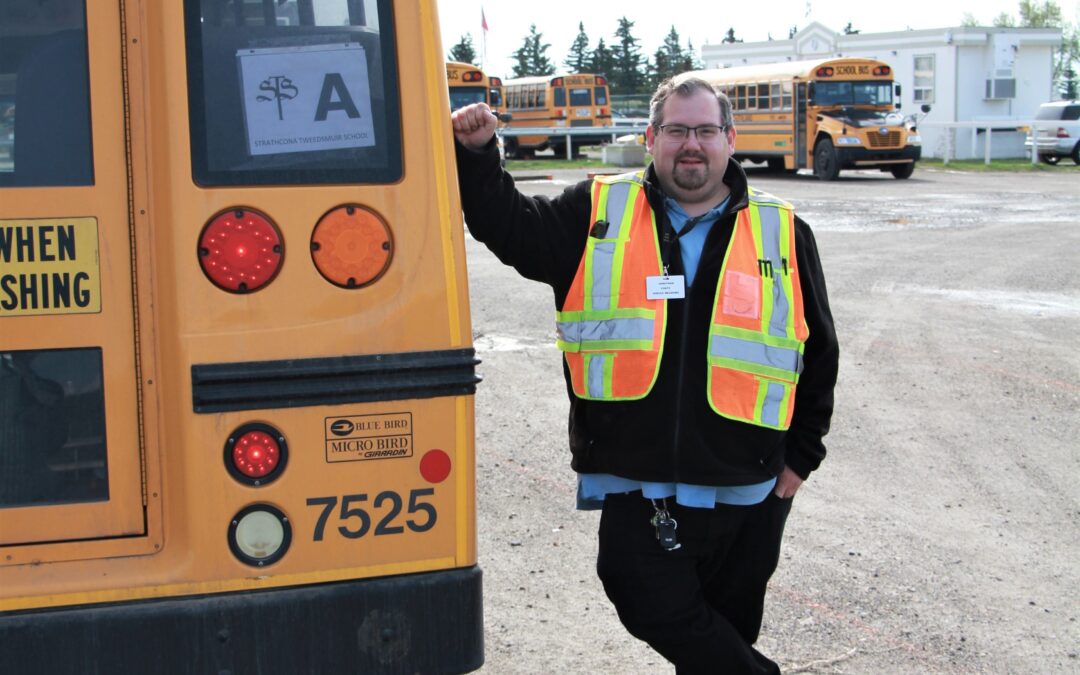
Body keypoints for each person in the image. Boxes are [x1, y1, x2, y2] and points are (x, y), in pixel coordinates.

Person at [452, 75, 838, 673]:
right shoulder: (597, 210)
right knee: (645, 597)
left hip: (750, 484)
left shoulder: (781, 230)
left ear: (730, 139)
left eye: (706, 130)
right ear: (651, 137)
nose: (692, 144)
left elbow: (818, 351)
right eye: (678, 130)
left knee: (720, 634)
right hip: (638, 478)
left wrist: (800, 459)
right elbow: (510, 228)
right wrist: (478, 158)